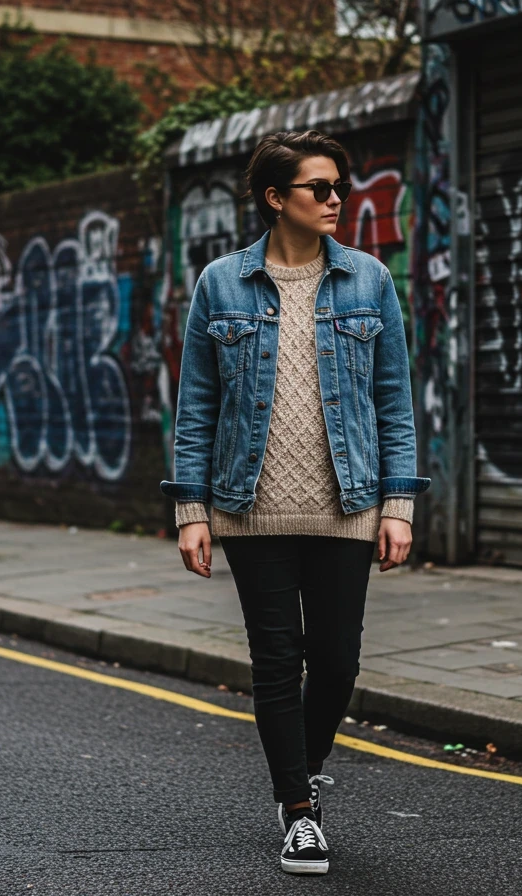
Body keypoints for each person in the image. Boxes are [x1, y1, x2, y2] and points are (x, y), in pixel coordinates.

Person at [160, 129, 430, 875]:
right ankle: (300, 812)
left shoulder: (370, 280)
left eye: (340, 186)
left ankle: (296, 774)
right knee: (277, 659)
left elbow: (394, 405)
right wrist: (192, 514)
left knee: (337, 662)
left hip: (349, 504)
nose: (337, 199)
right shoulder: (221, 282)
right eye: (320, 188)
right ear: (276, 198)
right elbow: (197, 408)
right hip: (249, 508)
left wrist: (399, 504)